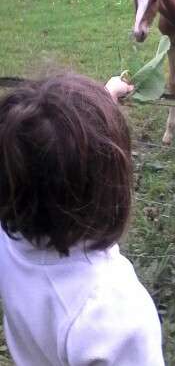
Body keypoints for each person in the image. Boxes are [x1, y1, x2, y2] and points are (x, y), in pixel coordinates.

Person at [0, 72, 165, 365]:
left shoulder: (10, 237)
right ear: (108, 185)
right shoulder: (113, 313)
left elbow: (45, 153)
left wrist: (104, 99)